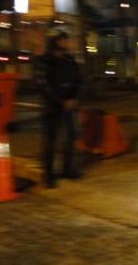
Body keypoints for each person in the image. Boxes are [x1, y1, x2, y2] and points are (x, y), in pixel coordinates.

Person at [34, 30, 81, 188]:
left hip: (69, 105)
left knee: (71, 137)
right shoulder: (44, 61)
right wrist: (61, 101)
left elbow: (78, 80)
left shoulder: (69, 60)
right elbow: (43, 85)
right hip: (52, 107)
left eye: (66, 40)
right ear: (53, 41)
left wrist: (73, 98)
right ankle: (49, 174)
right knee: (50, 141)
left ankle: (68, 168)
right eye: (62, 40)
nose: (65, 43)